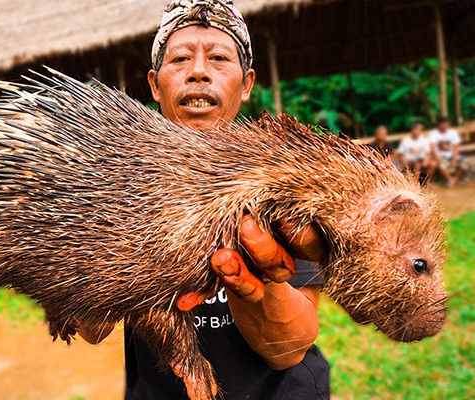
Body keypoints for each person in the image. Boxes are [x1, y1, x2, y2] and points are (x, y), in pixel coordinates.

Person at [79, 1, 330, 399]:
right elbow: (91, 329)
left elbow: (288, 349)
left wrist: (256, 284)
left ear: (246, 84)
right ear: (154, 84)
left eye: (218, 57)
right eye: (179, 58)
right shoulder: (120, 180)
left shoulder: (279, 180)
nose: (198, 71)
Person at [429, 116, 465, 186]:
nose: (444, 125)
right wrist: (437, 157)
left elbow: (456, 147)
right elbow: (432, 147)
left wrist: (455, 158)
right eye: (442, 124)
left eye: (446, 123)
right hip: (440, 157)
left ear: (449, 124)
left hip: (451, 156)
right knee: (441, 165)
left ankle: (455, 179)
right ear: (439, 124)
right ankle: (450, 179)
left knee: (466, 163)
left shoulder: (453, 133)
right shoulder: (434, 133)